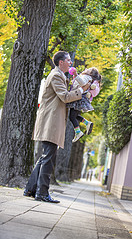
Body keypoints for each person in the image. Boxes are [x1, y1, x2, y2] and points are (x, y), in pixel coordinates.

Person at [23, 51, 91, 203]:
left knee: (45, 158)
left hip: (53, 122)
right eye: (68, 60)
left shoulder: (61, 76)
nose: (70, 63)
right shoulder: (56, 76)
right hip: (50, 122)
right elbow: (65, 97)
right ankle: (42, 193)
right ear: (61, 62)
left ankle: (30, 189)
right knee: (48, 158)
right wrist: (82, 90)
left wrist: (79, 87)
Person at [67, 67, 101, 142]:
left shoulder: (87, 77)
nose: (86, 69)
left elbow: (82, 83)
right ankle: (87, 123)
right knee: (74, 116)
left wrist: (76, 75)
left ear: (90, 72)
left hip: (79, 98)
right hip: (80, 98)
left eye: (88, 69)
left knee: (72, 117)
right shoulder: (89, 79)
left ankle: (78, 132)